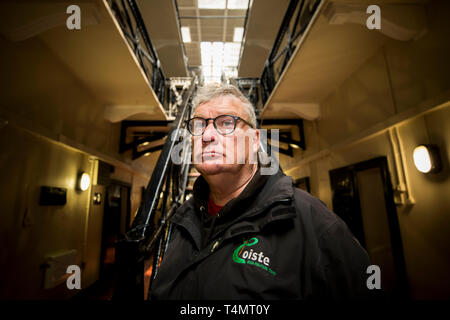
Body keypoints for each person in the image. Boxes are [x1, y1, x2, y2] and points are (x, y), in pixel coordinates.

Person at [150, 83, 375, 300]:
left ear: (255, 140)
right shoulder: (183, 219)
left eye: (226, 123)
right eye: (199, 125)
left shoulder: (312, 221)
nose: (207, 135)